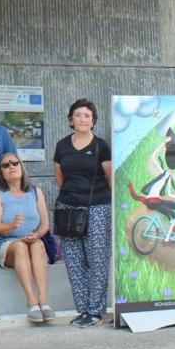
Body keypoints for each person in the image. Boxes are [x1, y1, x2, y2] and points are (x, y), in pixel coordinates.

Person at [52, 98, 112, 327]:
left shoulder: (101, 146)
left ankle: (96, 310)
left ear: (93, 120)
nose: (82, 119)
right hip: (68, 208)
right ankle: (83, 309)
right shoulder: (62, 146)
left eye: (87, 115)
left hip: (97, 207)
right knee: (74, 261)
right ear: (70, 119)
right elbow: (59, 178)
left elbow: (109, 178)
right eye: (78, 115)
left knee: (97, 260)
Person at [0, 153, 54, 323]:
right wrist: (12, 226)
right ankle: (32, 301)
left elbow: (45, 223)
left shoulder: (35, 192)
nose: (11, 166)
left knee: (38, 245)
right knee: (20, 247)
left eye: (15, 163)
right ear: (1, 173)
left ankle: (43, 300)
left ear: (21, 167)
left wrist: (38, 234)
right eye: (6, 165)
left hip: (32, 241)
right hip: (7, 243)